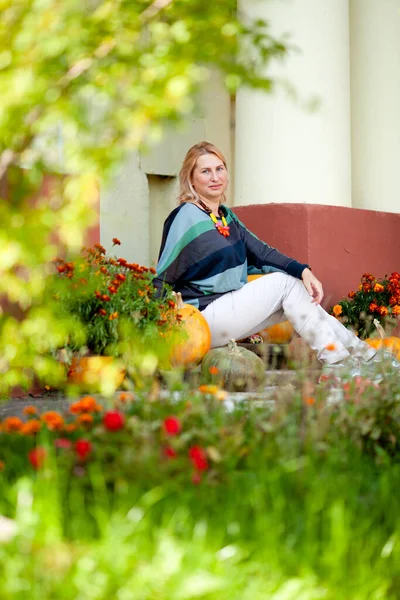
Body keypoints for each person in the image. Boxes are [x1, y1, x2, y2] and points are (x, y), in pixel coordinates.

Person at [153, 141, 398, 377]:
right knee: (284, 284)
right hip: (201, 319)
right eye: (205, 171)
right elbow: (163, 277)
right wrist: (159, 331)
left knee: (301, 299)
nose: (215, 177)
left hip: (227, 311)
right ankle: (338, 364)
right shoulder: (185, 216)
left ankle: (367, 358)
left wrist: (303, 271)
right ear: (191, 178)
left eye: (219, 169)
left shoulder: (226, 218)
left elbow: (262, 253)